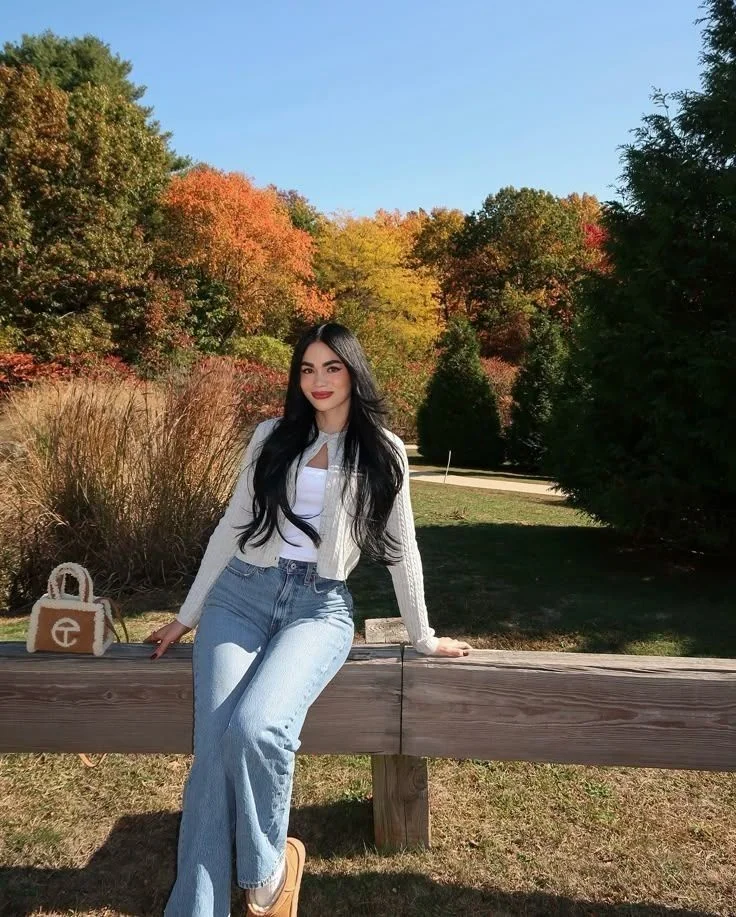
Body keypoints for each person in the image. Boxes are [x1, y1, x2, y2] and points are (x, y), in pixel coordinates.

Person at [145, 322, 472, 917]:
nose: (318, 381)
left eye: (332, 368)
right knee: (213, 752)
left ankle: (269, 870)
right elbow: (231, 527)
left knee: (258, 728)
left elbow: (403, 550)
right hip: (239, 597)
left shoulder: (382, 450)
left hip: (318, 608)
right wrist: (188, 616)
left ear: (353, 372)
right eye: (307, 369)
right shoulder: (273, 436)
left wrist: (421, 637)